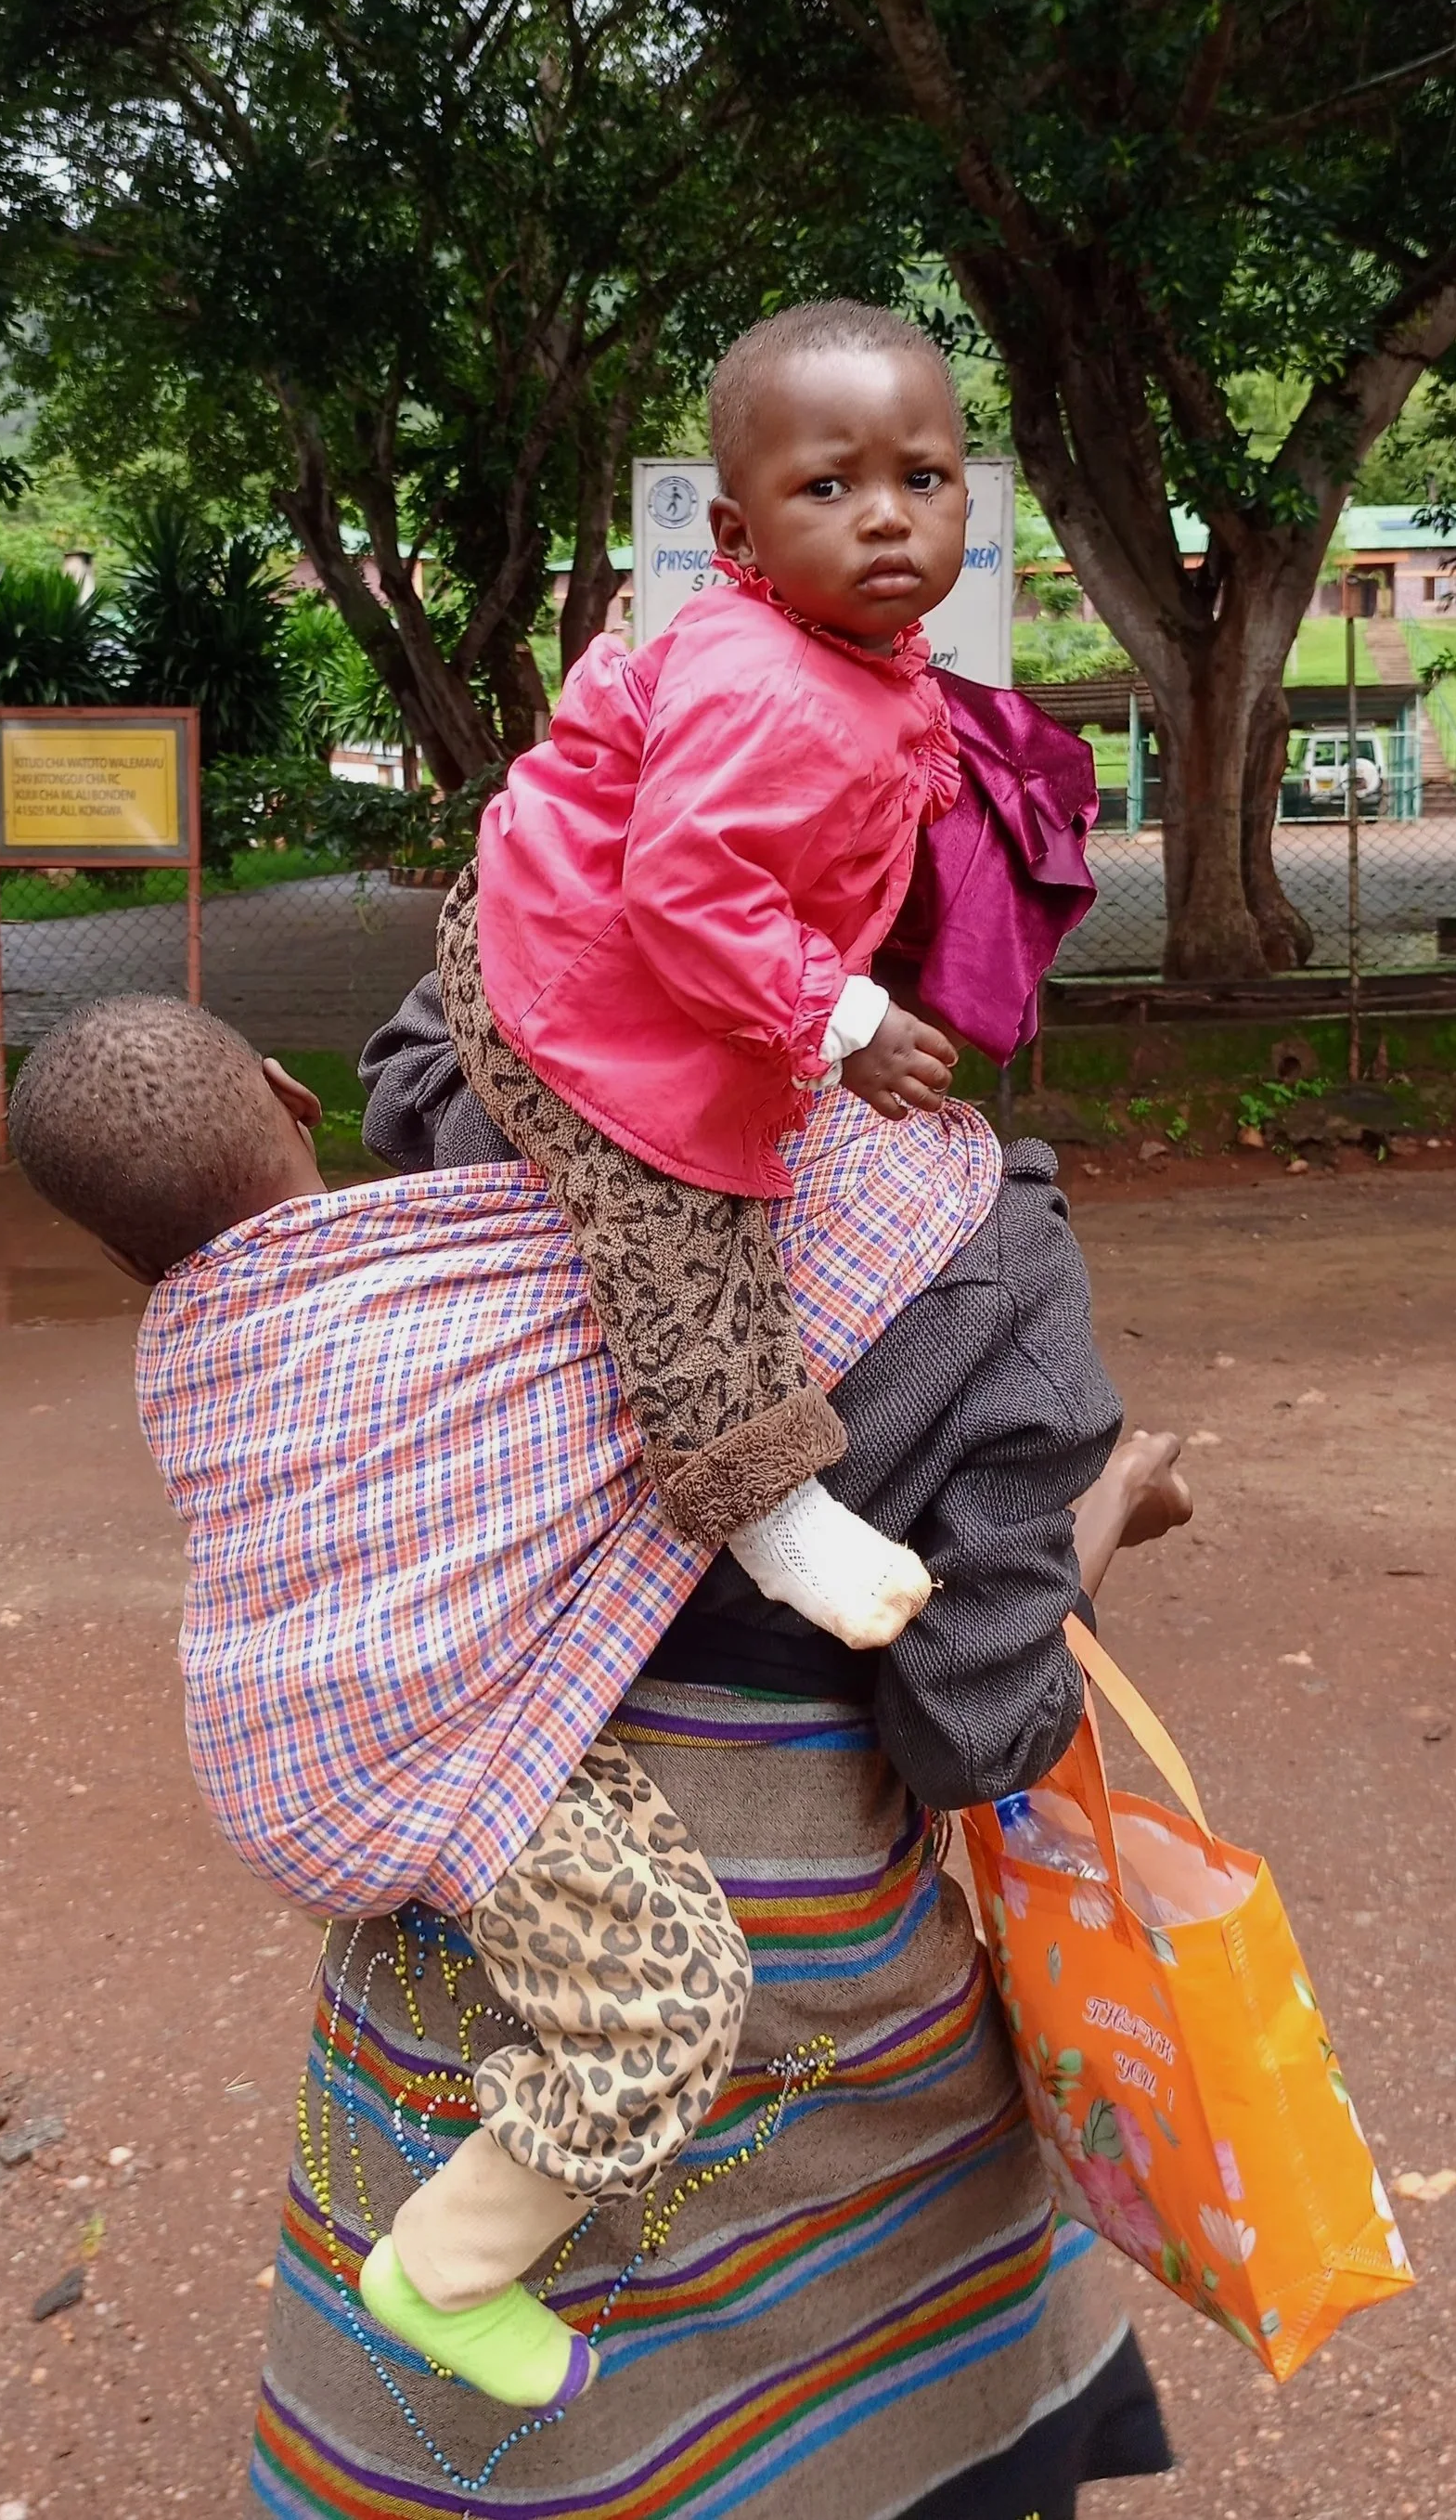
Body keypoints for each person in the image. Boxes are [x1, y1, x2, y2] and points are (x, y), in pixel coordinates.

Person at [238, 980, 1186, 2520]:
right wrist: (1107, 1509)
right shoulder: (982, 1245)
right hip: (793, 1935)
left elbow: (410, 1045)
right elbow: (974, 1727)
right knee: (873, 2378)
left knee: (445, 2409)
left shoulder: (487, 1085)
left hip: (482, 1858)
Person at [6, 990, 1010, 2415]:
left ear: (119, 1253)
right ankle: (447, 2269)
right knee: (659, 2015)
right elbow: (693, 1294)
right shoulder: (502, 1245)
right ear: (294, 1101)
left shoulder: (270, 1294)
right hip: (446, 1764)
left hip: (307, 1762)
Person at [441, 298, 981, 1656]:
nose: (887, 517)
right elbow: (687, 891)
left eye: (923, 478)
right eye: (828, 486)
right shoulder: (766, 685)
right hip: (573, 977)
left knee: (743, 1181)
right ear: (737, 536)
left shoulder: (854, 655)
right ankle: (765, 1504)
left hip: (634, 949)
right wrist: (844, 1017)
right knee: (676, 1225)